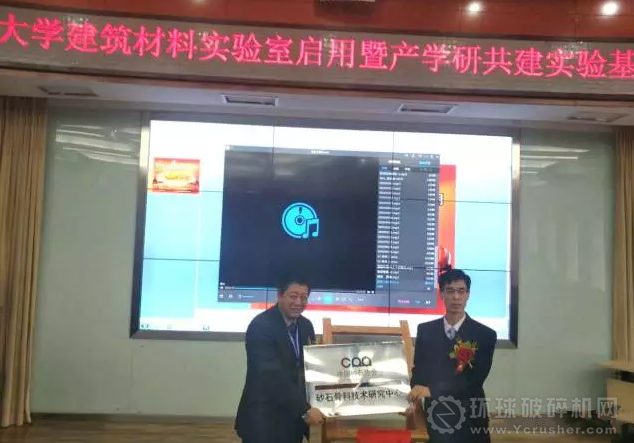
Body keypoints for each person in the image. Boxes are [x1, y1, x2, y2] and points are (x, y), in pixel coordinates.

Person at [407, 268, 497, 442]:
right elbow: (419, 372)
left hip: (470, 417)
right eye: (450, 291)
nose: (456, 297)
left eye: (461, 291)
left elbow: (474, 380)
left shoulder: (485, 334)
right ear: (441, 294)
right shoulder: (426, 330)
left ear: (468, 295)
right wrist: (412, 400)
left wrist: (431, 390)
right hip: (436, 415)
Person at [235, 277, 326, 443]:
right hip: (264, 419)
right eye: (293, 296)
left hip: (293, 418)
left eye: (304, 297)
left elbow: (308, 368)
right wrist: (304, 409)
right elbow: (270, 374)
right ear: (280, 296)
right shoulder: (261, 326)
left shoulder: (306, 326)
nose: (299, 302)